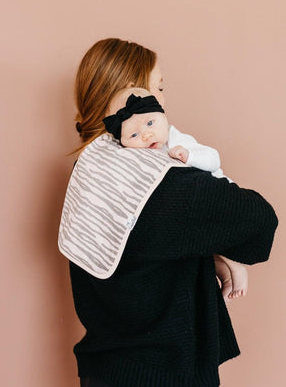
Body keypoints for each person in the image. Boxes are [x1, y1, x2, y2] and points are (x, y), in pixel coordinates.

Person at [62, 37, 279, 387]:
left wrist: (211, 249)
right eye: (157, 87)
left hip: (108, 379)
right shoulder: (158, 184)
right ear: (128, 96)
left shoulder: (91, 169)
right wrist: (225, 248)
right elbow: (258, 223)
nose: (163, 99)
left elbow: (148, 246)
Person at [102, 85, 248, 302]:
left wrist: (189, 156)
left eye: (150, 123)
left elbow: (214, 158)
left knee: (218, 242)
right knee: (203, 251)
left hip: (213, 196)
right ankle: (226, 276)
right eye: (134, 135)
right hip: (187, 215)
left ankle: (235, 265)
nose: (146, 135)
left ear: (163, 116)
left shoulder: (175, 138)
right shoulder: (137, 158)